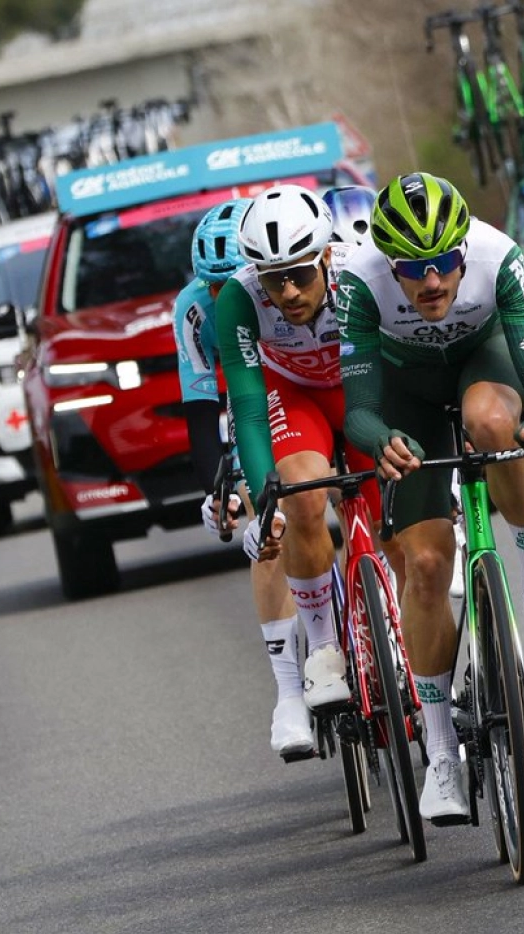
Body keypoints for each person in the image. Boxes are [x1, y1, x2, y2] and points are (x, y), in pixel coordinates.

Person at [335, 172, 524, 823]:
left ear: (465, 249)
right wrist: (381, 439)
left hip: (481, 360)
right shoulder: (357, 282)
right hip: (404, 389)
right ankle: (440, 751)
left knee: (493, 425)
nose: (432, 281)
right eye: (414, 270)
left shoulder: (500, 257)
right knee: (426, 566)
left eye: (444, 262)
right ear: (390, 263)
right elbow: (359, 409)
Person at [216, 183, 382, 724]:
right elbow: (247, 408)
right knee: (303, 498)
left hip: (360, 383)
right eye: (273, 278)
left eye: (300, 274)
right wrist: (266, 499)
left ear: (327, 256)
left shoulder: (362, 272)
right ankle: (324, 648)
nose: (287, 292)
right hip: (294, 395)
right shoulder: (239, 298)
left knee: (399, 516)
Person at [173, 198, 310, 760]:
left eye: (230, 282)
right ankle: (289, 691)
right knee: (266, 517)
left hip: (297, 387)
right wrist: (216, 491)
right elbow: (201, 409)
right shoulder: (194, 310)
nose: (220, 295)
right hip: (248, 400)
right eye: (210, 285)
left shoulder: (283, 288)